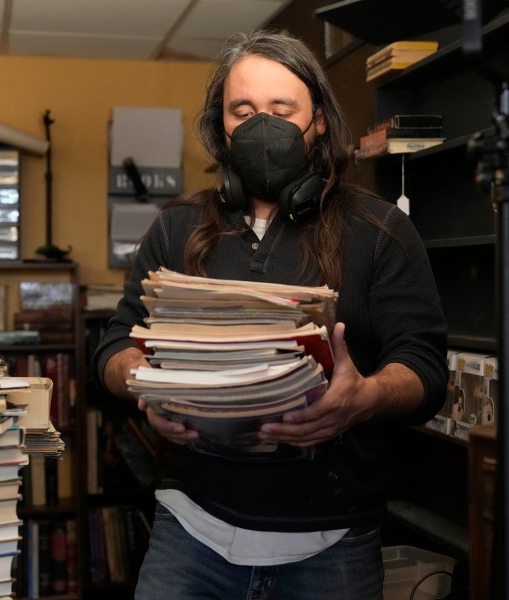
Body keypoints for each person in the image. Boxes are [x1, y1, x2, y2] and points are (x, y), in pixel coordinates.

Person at [92, 28, 448, 600]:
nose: (264, 126)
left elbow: (426, 368)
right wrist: (145, 384)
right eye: (245, 110)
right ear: (222, 125)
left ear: (320, 121)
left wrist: (366, 396)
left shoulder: (381, 229)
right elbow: (113, 345)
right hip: (189, 534)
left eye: (283, 109)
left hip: (334, 547)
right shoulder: (175, 226)